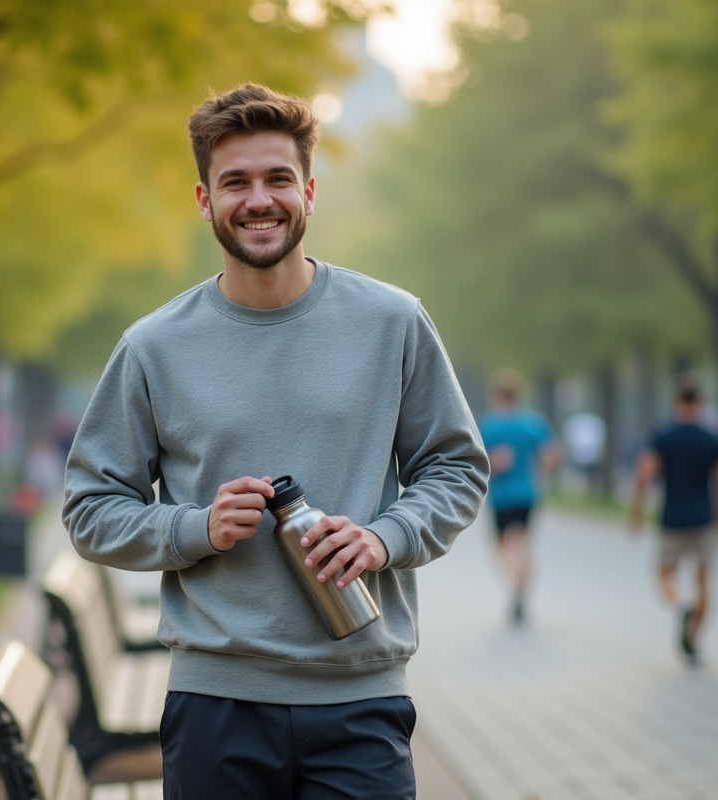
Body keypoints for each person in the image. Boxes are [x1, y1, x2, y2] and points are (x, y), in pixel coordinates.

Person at [62, 83, 489, 799]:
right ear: (205, 200)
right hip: (215, 703)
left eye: (277, 179)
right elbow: (89, 508)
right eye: (236, 182)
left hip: (361, 695)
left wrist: (387, 536)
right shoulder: (153, 347)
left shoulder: (392, 322)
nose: (259, 199)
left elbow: (456, 465)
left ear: (309, 191)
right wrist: (195, 527)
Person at [628, 374, 718, 667]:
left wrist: (636, 509)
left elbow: (646, 473)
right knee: (704, 582)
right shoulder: (712, 437)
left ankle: (680, 603)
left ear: (675, 401)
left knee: (664, 575)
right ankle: (694, 640)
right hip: (704, 519)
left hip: (672, 520)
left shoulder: (663, 435)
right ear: (700, 402)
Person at [477, 369, 559, 626]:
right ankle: (522, 587)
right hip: (528, 493)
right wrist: (541, 473)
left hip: (501, 497)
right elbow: (553, 453)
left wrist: (494, 463)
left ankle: (515, 582)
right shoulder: (533, 423)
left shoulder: (490, 424)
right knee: (524, 545)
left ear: (497, 395)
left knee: (501, 549)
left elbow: (477, 460)